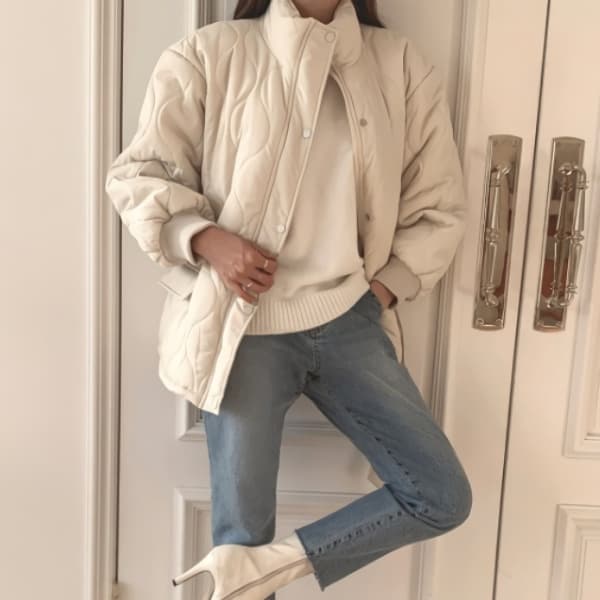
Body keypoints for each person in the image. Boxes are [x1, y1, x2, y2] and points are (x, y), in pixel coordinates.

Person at [105, 0, 473, 598]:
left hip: (351, 320)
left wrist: (382, 291)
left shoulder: (400, 65)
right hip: (242, 328)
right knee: (243, 534)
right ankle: (248, 570)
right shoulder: (209, 53)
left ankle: (260, 571)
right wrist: (205, 239)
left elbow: (438, 203)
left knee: (439, 493)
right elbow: (139, 175)